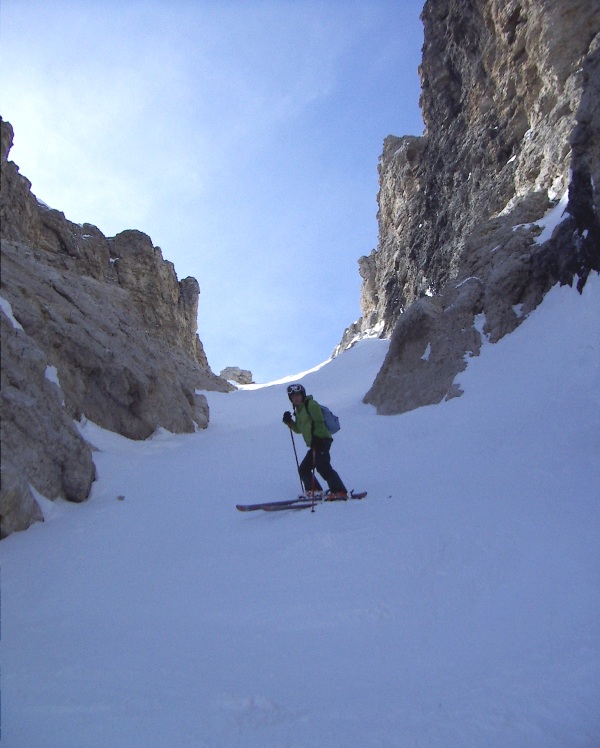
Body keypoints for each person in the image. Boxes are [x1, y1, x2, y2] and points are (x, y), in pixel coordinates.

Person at [282, 383, 347, 497]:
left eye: (297, 395)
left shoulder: (311, 405)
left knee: (322, 466)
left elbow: (319, 421)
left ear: (302, 395)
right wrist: (289, 422)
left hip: (322, 440)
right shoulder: (299, 411)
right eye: (293, 396)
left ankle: (339, 491)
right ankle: (315, 491)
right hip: (315, 443)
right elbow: (298, 429)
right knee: (304, 469)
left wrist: (318, 437)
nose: (296, 398)